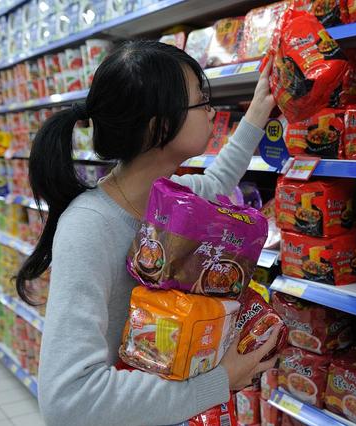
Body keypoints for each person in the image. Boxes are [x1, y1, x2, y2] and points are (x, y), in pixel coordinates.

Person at [16, 40, 280, 426]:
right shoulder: (89, 227)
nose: (212, 112)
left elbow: (218, 182)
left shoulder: (174, 201)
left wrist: (258, 111)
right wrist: (218, 381)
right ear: (159, 125)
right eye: (201, 101)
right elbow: (68, 400)